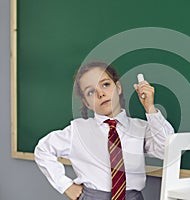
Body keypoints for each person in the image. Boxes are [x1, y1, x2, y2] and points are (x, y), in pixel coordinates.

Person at [34, 61, 174, 200]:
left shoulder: (140, 128)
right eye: (90, 92)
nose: (100, 93)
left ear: (118, 87)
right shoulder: (77, 130)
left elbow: (166, 149)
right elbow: (43, 149)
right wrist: (65, 186)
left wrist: (150, 108)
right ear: (86, 103)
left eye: (106, 84)